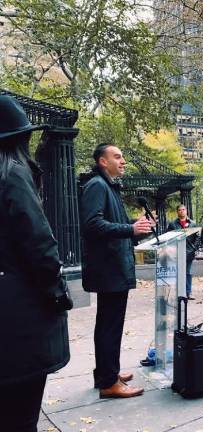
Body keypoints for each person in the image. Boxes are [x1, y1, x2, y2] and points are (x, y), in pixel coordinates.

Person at [0, 96, 71, 430]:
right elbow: (40, 247)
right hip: (20, 320)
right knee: (22, 417)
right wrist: (58, 294)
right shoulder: (13, 174)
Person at [81, 143, 153, 398]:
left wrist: (136, 227)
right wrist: (129, 230)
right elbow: (92, 225)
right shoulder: (97, 186)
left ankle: (107, 373)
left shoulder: (108, 186)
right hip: (108, 269)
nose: (123, 161)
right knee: (109, 326)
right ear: (103, 161)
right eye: (117, 156)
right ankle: (109, 383)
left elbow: (114, 227)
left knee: (108, 325)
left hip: (113, 268)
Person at [167, 204, 200, 300]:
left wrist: (194, 248)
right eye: (180, 210)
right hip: (177, 252)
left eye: (183, 209)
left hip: (189, 252)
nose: (182, 211)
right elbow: (169, 237)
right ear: (177, 212)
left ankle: (189, 292)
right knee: (179, 273)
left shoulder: (193, 223)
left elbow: (197, 237)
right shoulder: (172, 224)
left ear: (186, 211)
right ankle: (180, 293)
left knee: (188, 272)